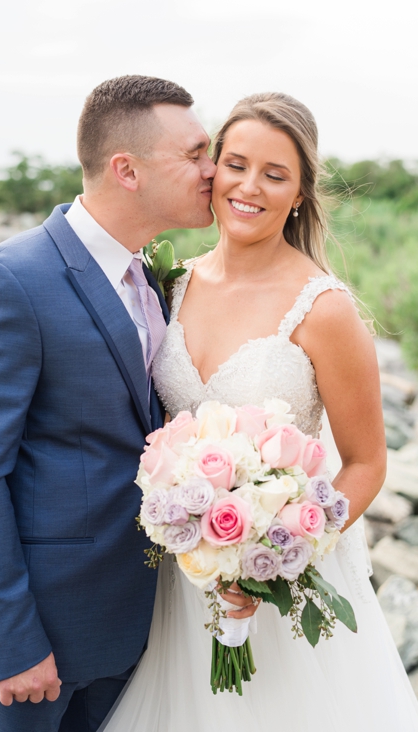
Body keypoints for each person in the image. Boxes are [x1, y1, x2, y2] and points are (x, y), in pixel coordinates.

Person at [0, 76, 240, 731]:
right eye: (195, 154)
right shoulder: (7, 281)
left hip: (129, 627)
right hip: (34, 641)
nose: (213, 171)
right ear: (127, 170)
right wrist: (12, 644)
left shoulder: (151, 280)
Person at [99, 93, 418, 730]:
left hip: (279, 577)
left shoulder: (325, 309)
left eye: (275, 175)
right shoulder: (170, 285)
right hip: (184, 577)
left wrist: (281, 547)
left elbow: (366, 462)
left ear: (299, 193)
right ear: (212, 169)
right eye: (236, 164)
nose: (250, 187)